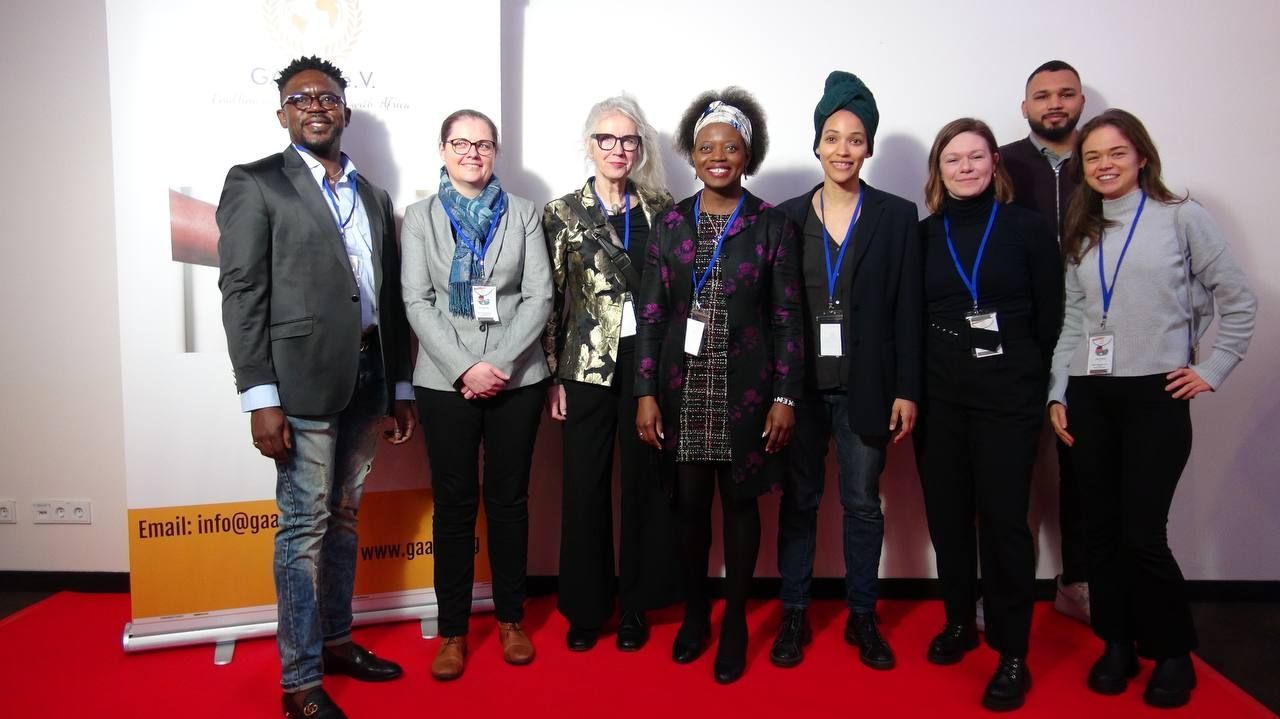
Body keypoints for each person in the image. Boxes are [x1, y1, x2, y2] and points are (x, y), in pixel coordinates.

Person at [217, 55, 414, 719]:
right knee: (302, 528)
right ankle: (300, 681)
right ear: (283, 114)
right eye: (301, 98)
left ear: (345, 112)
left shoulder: (375, 196)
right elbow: (242, 292)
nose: (316, 106)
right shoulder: (256, 183)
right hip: (296, 385)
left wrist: (400, 385)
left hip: (367, 374)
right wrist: (259, 395)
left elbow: (387, 294)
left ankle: (336, 641)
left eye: (327, 97)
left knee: (346, 517)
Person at [1049, 109, 1256, 709]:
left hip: (1154, 396)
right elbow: (1073, 322)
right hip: (1091, 394)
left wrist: (1212, 369)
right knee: (1100, 533)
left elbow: (1238, 300)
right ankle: (1115, 642)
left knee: (1144, 533)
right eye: (1092, 157)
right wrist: (1058, 392)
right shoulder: (1082, 228)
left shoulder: (1180, 218)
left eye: (1116, 153)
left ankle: (1170, 652)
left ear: (1141, 156)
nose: (1104, 165)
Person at [634, 87, 803, 684]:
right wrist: (646, 392)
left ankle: (733, 620)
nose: (718, 157)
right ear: (692, 153)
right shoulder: (670, 225)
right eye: (706, 147)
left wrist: (785, 398)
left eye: (730, 147)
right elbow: (651, 315)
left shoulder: (771, 225)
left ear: (747, 154)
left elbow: (787, 318)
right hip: (683, 393)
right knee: (687, 511)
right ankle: (696, 614)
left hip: (747, 393)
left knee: (739, 508)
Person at [771, 71, 921, 671]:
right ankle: (794, 613)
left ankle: (863, 616)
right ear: (815, 144)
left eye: (855, 139)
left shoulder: (895, 215)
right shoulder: (783, 217)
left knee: (862, 505)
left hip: (867, 389)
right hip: (799, 392)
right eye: (832, 137)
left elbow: (908, 310)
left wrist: (908, 388)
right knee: (800, 502)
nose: (842, 150)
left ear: (869, 147)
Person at [914, 118, 1062, 711]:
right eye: (954, 160)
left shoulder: (1028, 230)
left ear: (995, 162)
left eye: (976, 157)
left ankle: (1012, 651)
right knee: (947, 517)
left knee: (1004, 523)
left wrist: (1038, 387)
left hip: (1008, 400)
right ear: (938, 171)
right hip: (940, 399)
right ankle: (958, 621)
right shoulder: (922, 237)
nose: (966, 168)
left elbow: (1051, 319)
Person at [401, 109, 553, 681]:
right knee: (455, 507)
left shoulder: (524, 214)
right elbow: (416, 301)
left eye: (484, 144)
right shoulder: (419, 218)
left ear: (496, 152)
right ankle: (454, 632)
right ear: (442, 149)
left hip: (519, 377)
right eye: (461, 143)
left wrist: (500, 363)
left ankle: (512, 620)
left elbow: (539, 296)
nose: (472, 152)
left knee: (510, 502)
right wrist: (467, 366)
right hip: (446, 381)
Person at [542, 96, 681, 652]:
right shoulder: (561, 212)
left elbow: (674, 290)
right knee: (584, 488)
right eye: (607, 139)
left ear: (640, 147)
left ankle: (636, 607)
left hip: (649, 368)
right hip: (585, 369)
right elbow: (552, 298)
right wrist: (553, 375)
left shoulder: (662, 207)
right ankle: (585, 607)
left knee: (645, 487)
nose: (618, 150)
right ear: (589, 144)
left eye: (628, 140)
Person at [999, 59, 1091, 625]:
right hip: (1019, 343)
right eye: (1042, 95)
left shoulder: (1103, 157)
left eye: (1065, 94)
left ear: (1081, 101)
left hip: (1090, 340)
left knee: (1085, 469)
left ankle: (1077, 582)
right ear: (1025, 106)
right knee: (1014, 472)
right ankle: (1009, 590)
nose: (1054, 104)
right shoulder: (1001, 162)